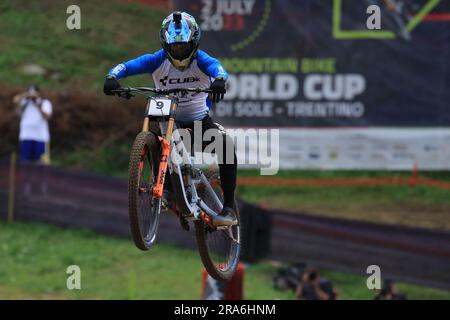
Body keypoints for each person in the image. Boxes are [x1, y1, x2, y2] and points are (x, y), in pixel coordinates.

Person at [103, 12, 237, 227]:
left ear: (193, 42)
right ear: (165, 45)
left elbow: (218, 69)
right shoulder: (157, 60)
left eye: (183, 46)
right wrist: (111, 77)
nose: (179, 51)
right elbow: (126, 67)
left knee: (226, 147)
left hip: (198, 121)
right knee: (154, 142)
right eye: (174, 47)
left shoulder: (202, 60)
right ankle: (166, 191)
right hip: (167, 122)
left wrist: (220, 80)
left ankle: (229, 207)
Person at [13, 84, 53, 164]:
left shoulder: (44, 103)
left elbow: (47, 116)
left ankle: (41, 176)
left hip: (41, 137)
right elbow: (16, 100)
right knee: (25, 161)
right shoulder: (24, 103)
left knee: (41, 162)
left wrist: (36, 104)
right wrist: (26, 95)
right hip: (26, 136)